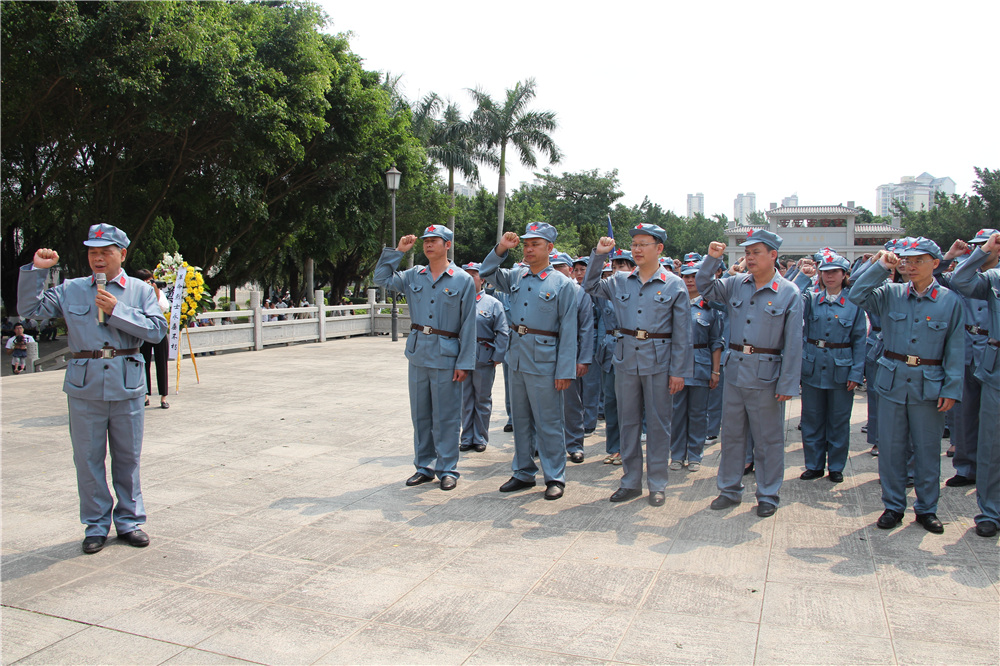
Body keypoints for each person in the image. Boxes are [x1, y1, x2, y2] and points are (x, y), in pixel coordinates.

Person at [18, 224, 168, 554]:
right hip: (84, 385)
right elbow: (30, 312)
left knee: (127, 458)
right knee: (88, 460)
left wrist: (118, 311)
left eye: (105, 252)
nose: (97, 258)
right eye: (92, 252)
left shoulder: (141, 291)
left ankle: (129, 521)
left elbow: (157, 331)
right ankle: (96, 524)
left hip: (126, 384)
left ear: (122, 255)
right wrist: (37, 272)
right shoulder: (71, 289)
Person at [849, 237, 965, 534]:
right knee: (890, 448)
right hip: (892, 381)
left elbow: (955, 348)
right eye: (906, 260)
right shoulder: (891, 293)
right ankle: (893, 506)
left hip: (929, 384)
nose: (910, 266)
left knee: (927, 451)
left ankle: (926, 508)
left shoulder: (950, 301)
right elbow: (857, 293)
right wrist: (880, 266)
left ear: (935, 264)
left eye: (918, 261)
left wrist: (952, 388)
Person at [583, 224, 693, 507]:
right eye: (634, 244)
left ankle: (657, 483)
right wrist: (599, 254)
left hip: (660, 361)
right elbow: (590, 285)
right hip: (626, 358)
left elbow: (683, 333)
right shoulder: (619, 280)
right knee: (627, 422)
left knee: (658, 424)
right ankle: (630, 481)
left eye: (644, 244)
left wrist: (679, 371)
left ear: (659, 249)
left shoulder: (674, 284)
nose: (637, 249)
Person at [696, 230, 803, 518]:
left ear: (773, 255)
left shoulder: (789, 292)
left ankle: (768, 494)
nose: (750, 257)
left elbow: (794, 344)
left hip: (767, 374)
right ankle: (729, 489)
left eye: (757, 252)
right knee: (732, 435)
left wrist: (788, 383)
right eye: (748, 252)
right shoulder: (734, 284)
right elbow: (704, 286)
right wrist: (712, 259)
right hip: (735, 370)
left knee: (768, 439)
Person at [373, 225, 476, 491]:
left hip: (447, 355)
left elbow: (468, 324)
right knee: (421, 415)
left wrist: (465, 363)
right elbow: (381, 279)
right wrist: (397, 252)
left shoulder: (461, 279)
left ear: (448, 245)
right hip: (419, 352)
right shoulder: (413, 275)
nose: (429, 245)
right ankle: (424, 466)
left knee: (447, 416)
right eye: (426, 241)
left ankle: (448, 468)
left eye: (435, 241)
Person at [479, 222, 578, 500]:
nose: (529, 248)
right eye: (526, 244)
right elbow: (486, 272)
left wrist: (565, 370)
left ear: (550, 248)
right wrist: (501, 248)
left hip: (546, 360)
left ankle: (555, 476)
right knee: (520, 420)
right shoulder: (516, 276)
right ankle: (523, 472)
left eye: (535, 244)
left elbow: (569, 331)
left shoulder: (562, 284)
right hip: (518, 356)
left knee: (548, 421)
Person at [936, 230, 999, 488]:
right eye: (976, 246)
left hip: (992, 352)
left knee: (991, 420)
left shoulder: (995, 278)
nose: (978, 250)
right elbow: (936, 278)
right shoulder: (962, 274)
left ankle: (989, 473)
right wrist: (950, 256)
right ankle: (966, 467)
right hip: (966, 350)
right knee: (964, 416)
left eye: (985, 246)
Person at [798, 253, 866, 483]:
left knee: (838, 420)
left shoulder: (854, 302)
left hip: (841, 368)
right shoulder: (812, 297)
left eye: (835, 271)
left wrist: (857, 372)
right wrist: (803, 276)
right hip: (813, 366)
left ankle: (836, 466)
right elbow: (793, 302)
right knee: (812, 419)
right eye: (825, 271)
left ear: (844, 274)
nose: (829, 276)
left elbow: (859, 340)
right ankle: (814, 464)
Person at [950, 230, 1000, 537]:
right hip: (995, 366)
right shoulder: (993, 277)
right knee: (991, 441)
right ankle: (990, 512)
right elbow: (960, 281)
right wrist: (982, 252)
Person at [670, 260, 723, 472]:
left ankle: (695, 455)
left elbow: (716, 342)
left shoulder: (710, 308)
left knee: (698, 413)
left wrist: (715, 371)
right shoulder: (674, 305)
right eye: (686, 276)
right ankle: (676, 455)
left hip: (701, 366)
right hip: (677, 367)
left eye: (694, 277)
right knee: (677, 413)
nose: (690, 280)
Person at [459, 262, 509, 453]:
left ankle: (480, 437)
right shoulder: (458, 301)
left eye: (474, 275)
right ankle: (466, 437)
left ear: (482, 279)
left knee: (482, 399)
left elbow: (503, 332)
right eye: (467, 275)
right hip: (462, 356)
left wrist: (497, 356)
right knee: (465, 399)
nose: (470, 278)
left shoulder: (493, 303)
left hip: (484, 357)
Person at [550, 252, 593, 464]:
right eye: (553, 266)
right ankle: (545, 445)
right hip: (545, 352)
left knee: (571, 403)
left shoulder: (580, 292)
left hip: (571, 353)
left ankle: (575, 444)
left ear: (570, 269)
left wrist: (583, 359)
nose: (557, 270)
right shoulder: (544, 287)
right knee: (545, 404)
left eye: (561, 266)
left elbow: (586, 328)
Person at [134, 269, 170, 409]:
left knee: (162, 363)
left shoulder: (158, 292)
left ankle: (163, 397)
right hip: (144, 331)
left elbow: (164, 307)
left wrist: (156, 293)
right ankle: (145, 395)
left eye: (150, 281)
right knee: (144, 363)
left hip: (159, 331)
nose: (148, 284)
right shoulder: (135, 294)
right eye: (145, 281)